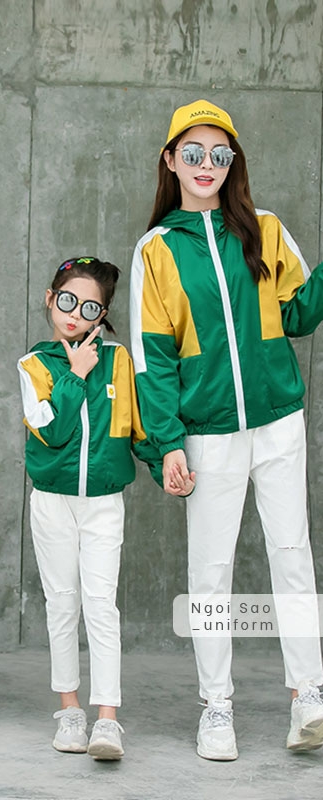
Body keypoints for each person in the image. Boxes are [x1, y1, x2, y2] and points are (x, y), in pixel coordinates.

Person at [130, 99, 323, 760]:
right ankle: (216, 708)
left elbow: (299, 315)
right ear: (170, 161)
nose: (206, 164)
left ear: (232, 161)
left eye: (219, 153)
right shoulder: (157, 250)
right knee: (210, 572)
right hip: (207, 433)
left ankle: (308, 696)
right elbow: (153, 359)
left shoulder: (265, 229)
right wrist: (167, 444)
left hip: (279, 421)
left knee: (292, 555)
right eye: (192, 153)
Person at [17, 257, 165, 760]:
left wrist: (165, 466)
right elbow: (53, 431)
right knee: (62, 604)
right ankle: (70, 711)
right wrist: (76, 374)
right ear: (49, 299)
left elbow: (138, 426)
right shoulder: (33, 365)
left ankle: (107, 719)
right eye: (67, 301)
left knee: (101, 605)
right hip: (52, 503)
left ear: (101, 315)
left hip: (104, 503)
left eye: (89, 308)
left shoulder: (120, 360)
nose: (74, 315)